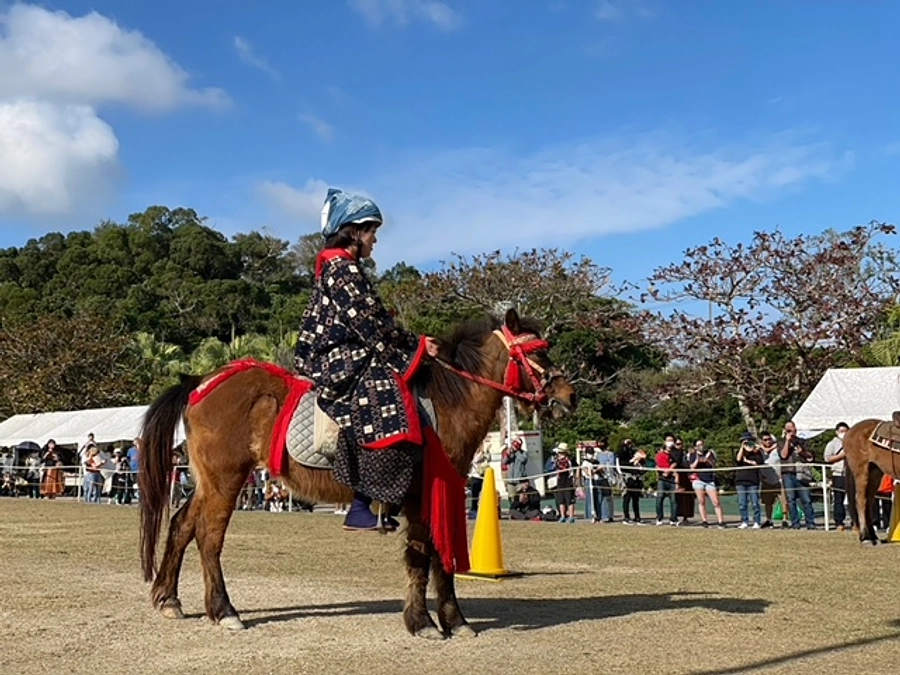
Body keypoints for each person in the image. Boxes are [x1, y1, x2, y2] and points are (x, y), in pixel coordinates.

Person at [294, 188, 440, 532]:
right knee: (385, 394)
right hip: (338, 356)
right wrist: (416, 345)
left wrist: (410, 341)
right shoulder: (342, 270)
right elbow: (369, 322)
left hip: (348, 348)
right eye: (372, 231)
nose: (375, 239)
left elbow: (373, 320)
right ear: (355, 231)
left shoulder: (343, 268)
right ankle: (361, 505)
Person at [689, 439, 725, 528]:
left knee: (716, 502)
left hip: (709, 480)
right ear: (695, 447)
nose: (701, 446)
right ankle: (704, 521)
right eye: (698, 445)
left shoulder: (709, 453)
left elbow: (714, 464)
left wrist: (707, 460)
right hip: (698, 480)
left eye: (701, 444)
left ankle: (721, 521)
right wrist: (698, 459)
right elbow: (692, 467)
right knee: (701, 501)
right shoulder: (692, 455)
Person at [734, 432, 764, 529]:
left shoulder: (757, 452)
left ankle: (757, 521)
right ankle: (744, 521)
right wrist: (742, 448)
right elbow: (738, 459)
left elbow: (758, 463)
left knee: (755, 503)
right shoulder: (740, 451)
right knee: (742, 503)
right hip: (740, 481)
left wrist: (748, 460)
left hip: (753, 481)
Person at [823, 422, 849, 530]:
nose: (843, 433)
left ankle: (855, 521)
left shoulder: (853, 442)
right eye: (841, 431)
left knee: (854, 498)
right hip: (838, 474)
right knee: (838, 499)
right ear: (837, 432)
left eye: (845, 431)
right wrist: (841, 456)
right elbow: (827, 458)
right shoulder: (832, 444)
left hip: (850, 473)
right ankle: (839, 522)